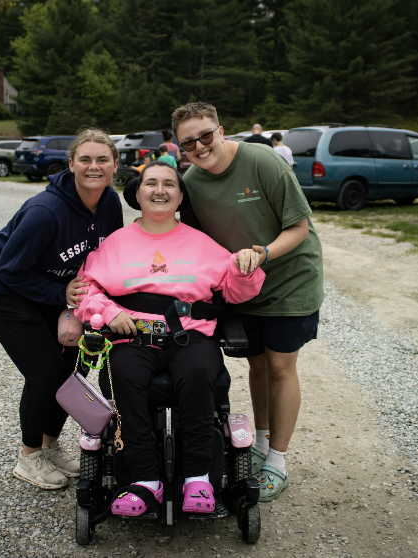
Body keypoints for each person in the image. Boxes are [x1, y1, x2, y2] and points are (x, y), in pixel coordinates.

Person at [74, 161, 265, 517]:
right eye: (150, 183)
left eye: (168, 184)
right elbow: (85, 290)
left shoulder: (202, 243)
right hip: (132, 339)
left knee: (196, 375)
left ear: (179, 198)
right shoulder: (115, 244)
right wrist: (109, 312)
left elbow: (235, 292)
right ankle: (145, 481)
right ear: (137, 194)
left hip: (189, 338)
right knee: (124, 377)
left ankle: (198, 478)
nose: (159, 190)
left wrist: (246, 268)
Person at [171, 102, 324, 503]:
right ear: (181, 147)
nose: (201, 147)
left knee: (279, 366)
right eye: (189, 143)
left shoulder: (262, 161)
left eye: (206, 135)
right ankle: (258, 444)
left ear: (221, 130)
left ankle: (278, 462)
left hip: (290, 279)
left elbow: (300, 227)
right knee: (256, 364)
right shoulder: (193, 183)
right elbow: (190, 239)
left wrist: (264, 254)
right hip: (243, 285)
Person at [0, 128, 124, 490]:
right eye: (84, 159)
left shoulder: (111, 202)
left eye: (102, 159)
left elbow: (109, 256)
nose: (93, 166)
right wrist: (59, 294)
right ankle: (28, 456)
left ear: (115, 164)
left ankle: (50, 445)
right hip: (0, 289)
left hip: (50, 287)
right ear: (70, 164)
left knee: (72, 365)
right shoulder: (46, 210)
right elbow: (9, 269)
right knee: (44, 370)